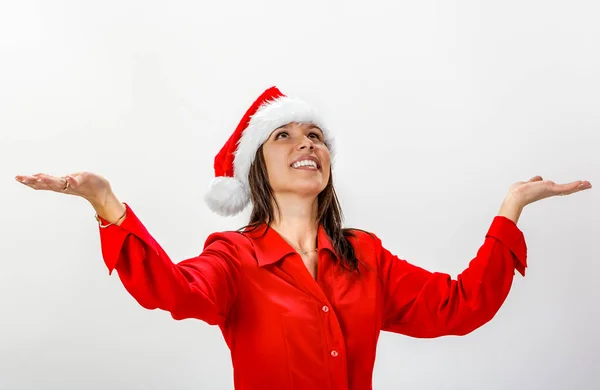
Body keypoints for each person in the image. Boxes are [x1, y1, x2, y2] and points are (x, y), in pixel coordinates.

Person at [15, 86, 592, 390]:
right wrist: (107, 206)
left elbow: (458, 307)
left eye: (315, 135)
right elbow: (174, 291)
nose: (306, 144)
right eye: (284, 136)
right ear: (258, 169)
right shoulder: (234, 258)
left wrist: (511, 209)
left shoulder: (365, 255)